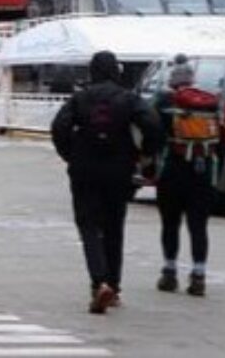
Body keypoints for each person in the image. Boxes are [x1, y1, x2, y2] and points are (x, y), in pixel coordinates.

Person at [51, 50, 161, 314]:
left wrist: (71, 154)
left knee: (88, 225)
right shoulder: (128, 98)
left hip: (85, 169)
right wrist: (146, 154)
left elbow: (59, 127)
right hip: (118, 169)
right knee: (114, 226)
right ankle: (113, 285)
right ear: (116, 72)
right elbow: (153, 124)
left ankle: (99, 282)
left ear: (92, 72)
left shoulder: (79, 99)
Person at [152, 55, 219, 296]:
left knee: (170, 223)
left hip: (173, 170)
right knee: (198, 226)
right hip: (202, 171)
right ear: (192, 80)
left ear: (172, 81)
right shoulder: (209, 103)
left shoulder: (164, 101)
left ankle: (169, 273)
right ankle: (198, 275)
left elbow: (153, 134)